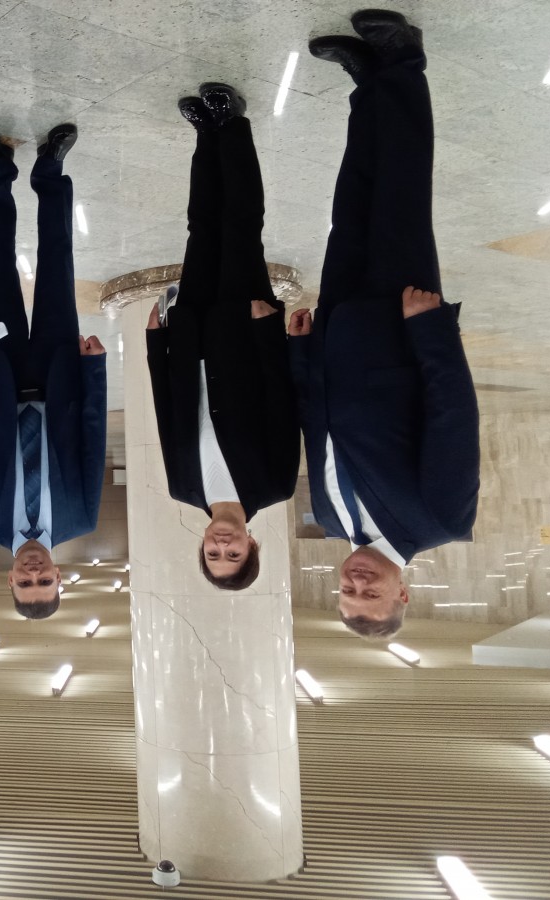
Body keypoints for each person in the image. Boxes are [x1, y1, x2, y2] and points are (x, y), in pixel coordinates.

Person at [293, 9, 479, 638]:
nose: (356, 583)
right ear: (403, 591)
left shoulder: (330, 519)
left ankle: (366, 85)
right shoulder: (439, 521)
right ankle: (402, 60)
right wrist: (431, 330)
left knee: (352, 202)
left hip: (339, 331)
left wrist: (304, 355)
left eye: (347, 593)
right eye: (370, 595)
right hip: (401, 323)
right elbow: (453, 418)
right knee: (400, 192)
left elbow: (319, 426)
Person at [146, 83, 299, 592]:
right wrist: (268, 330)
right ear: (252, 545)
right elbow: (282, 404)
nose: (222, 545)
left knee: (201, 231)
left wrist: (156, 347)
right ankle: (231, 123)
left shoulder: (183, 488)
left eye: (213, 554)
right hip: (243, 334)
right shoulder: (274, 486)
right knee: (240, 230)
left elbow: (166, 411)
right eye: (233, 555)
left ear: (203, 546)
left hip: (191, 337)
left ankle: (205, 136)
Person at [0, 124, 107, 620]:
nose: (33, 572)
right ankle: (50, 169)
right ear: (60, 577)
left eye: (25, 582)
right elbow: (92, 439)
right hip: (61, 376)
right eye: (44, 581)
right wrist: (95, 369)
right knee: (58, 266)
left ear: (10, 579)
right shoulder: (81, 518)